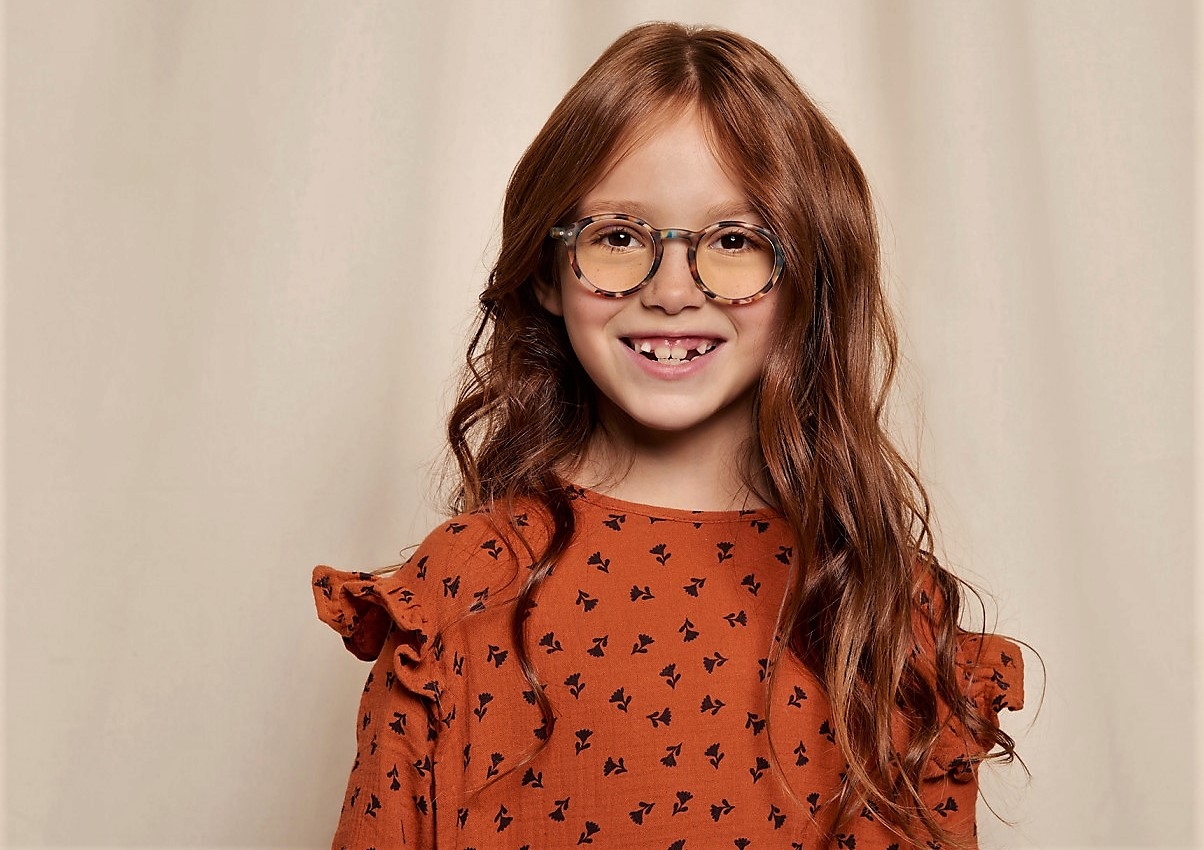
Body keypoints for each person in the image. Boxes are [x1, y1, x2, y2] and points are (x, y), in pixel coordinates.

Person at [312, 22, 1024, 850]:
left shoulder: (885, 608)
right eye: (618, 237)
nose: (674, 291)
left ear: (808, 280)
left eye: (735, 241)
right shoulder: (457, 593)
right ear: (546, 272)